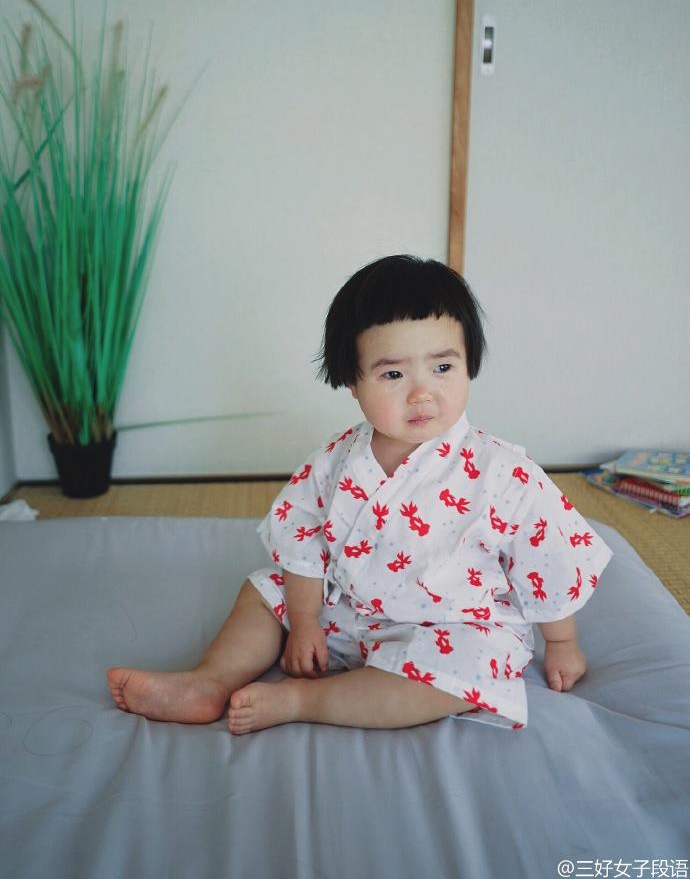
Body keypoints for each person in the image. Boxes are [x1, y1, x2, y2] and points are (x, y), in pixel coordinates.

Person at [108, 254, 612, 734]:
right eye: (393, 374)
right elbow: (301, 539)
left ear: (469, 364)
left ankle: (302, 701)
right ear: (352, 380)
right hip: (347, 612)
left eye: (442, 368)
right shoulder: (336, 459)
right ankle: (209, 681)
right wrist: (304, 621)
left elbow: (548, 558)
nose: (422, 392)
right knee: (263, 590)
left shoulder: (503, 472)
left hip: (452, 625)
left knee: (472, 668)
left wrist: (562, 642)